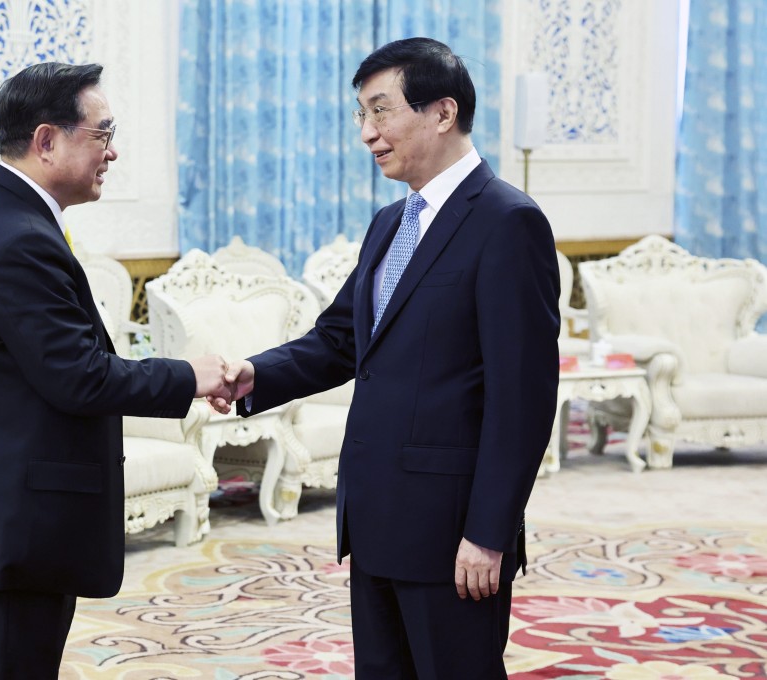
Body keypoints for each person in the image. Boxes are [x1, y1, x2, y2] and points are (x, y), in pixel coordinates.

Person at [215, 38, 560, 678]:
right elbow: (342, 340)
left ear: (442, 112)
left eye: (381, 112)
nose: (367, 134)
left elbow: (523, 399)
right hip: (376, 519)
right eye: (361, 116)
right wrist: (254, 375)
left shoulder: (509, 222)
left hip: (450, 531)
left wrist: (488, 532)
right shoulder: (390, 223)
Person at [0, 62, 232, 679]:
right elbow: (80, 377)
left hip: (0, 517)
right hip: (11, 524)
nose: (113, 152)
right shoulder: (17, 239)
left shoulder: (3, 217)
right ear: (46, 140)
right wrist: (189, 376)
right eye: (103, 134)